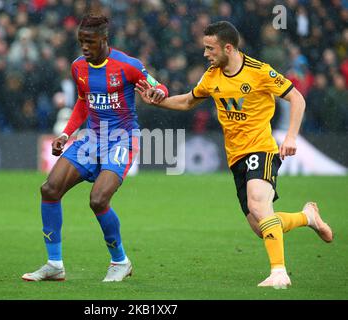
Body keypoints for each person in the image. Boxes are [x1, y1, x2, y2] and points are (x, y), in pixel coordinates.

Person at [136, 21, 333, 289]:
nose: (206, 54)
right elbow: (188, 101)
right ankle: (306, 217)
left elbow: (297, 98)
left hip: (261, 148)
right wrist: (158, 101)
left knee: (257, 205)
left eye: (210, 48)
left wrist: (290, 136)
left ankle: (279, 273)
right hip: (235, 156)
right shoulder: (212, 76)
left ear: (228, 48)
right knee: (260, 225)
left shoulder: (259, 71)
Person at [22, 13, 168, 282]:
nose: (85, 47)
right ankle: (54, 264)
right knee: (49, 189)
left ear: (104, 39)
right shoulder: (78, 67)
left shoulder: (128, 66)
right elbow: (82, 103)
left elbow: (160, 87)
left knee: (98, 199)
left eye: (90, 42)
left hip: (122, 139)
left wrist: (158, 93)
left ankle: (120, 261)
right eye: (81, 42)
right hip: (92, 138)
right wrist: (66, 134)